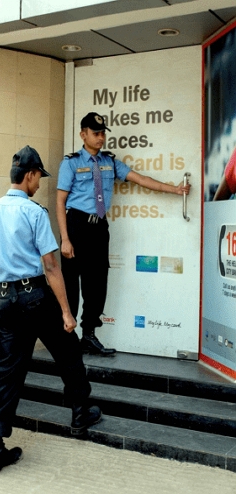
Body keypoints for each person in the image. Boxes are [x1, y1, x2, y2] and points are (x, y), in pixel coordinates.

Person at [0, 145, 101, 476]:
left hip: (5, 301)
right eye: (38, 177)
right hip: (35, 298)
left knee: (6, 374)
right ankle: (80, 413)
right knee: (68, 351)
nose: (39, 183)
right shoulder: (33, 213)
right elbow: (50, 266)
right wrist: (66, 311)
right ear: (30, 175)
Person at [57, 113, 191, 356]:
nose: (101, 138)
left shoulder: (110, 162)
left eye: (103, 133)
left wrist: (174, 189)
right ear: (83, 134)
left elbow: (140, 179)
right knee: (70, 284)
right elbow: (60, 201)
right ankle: (67, 339)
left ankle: (88, 335)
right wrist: (65, 238)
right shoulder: (72, 163)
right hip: (76, 225)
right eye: (96, 133)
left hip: (99, 227)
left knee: (97, 283)